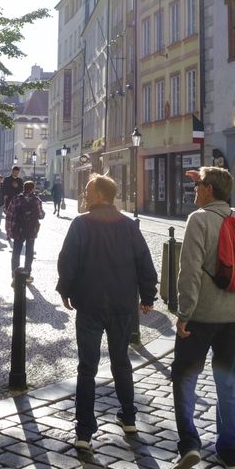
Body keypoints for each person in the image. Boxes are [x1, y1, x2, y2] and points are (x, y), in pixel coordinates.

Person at [56, 174, 158, 451]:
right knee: (121, 361)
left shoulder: (81, 224)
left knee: (87, 367)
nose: (85, 194)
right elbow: (144, 262)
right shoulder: (128, 225)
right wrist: (148, 296)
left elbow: (68, 260)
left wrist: (65, 289)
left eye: (88, 190)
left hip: (89, 304)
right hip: (122, 304)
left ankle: (84, 431)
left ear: (101, 194)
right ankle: (129, 417)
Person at [169, 166, 235, 469]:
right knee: (226, 383)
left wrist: (184, 314)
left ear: (210, 190)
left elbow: (189, 272)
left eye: (198, 184)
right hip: (234, 315)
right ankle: (231, 454)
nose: (195, 189)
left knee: (184, 378)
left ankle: (189, 442)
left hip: (202, 315)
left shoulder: (198, 220)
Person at [8, 180, 44, 282]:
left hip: (18, 229)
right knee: (29, 252)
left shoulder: (16, 199)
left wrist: (9, 229)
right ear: (32, 188)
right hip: (31, 230)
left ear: (23, 188)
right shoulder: (36, 200)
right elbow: (41, 215)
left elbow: (10, 214)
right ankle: (27, 275)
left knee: (16, 252)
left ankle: (15, 275)